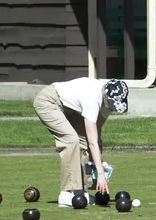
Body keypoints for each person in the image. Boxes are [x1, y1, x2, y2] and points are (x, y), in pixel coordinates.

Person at [33, 76, 129, 207]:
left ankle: (81, 190)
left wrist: (99, 164)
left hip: (69, 108)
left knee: (84, 138)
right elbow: (92, 143)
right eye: (111, 104)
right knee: (71, 140)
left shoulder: (107, 104)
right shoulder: (93, 99)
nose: (111, 108)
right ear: (105, 96)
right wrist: (100, 174)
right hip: (48, 102)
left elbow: (96, 137)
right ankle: (66, 193)